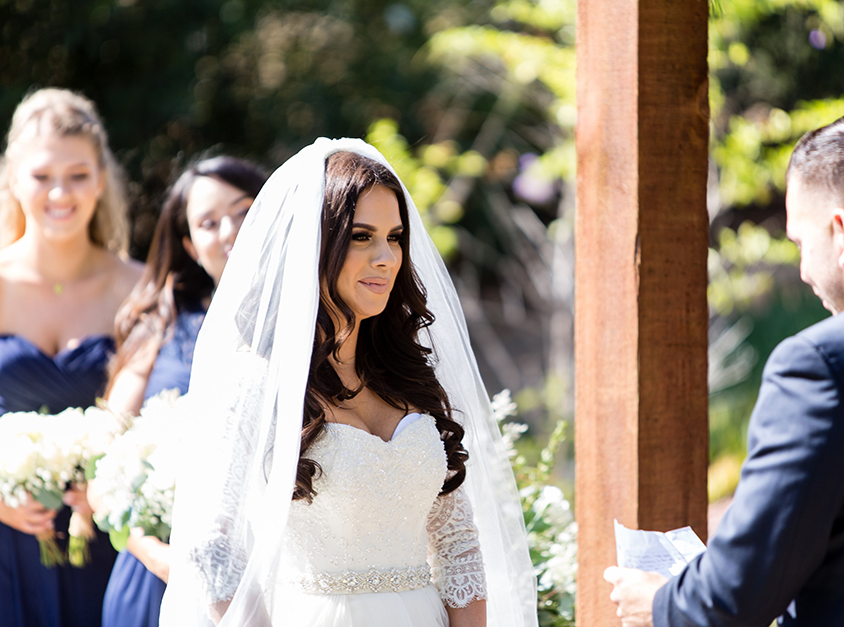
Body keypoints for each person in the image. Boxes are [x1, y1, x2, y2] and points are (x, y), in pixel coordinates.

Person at [158, 138, 538, 627]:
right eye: (362, 236)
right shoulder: (257, 381)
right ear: (315, 246)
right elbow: (213, 545)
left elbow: (457, 543)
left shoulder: (407, 375)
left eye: (395, 237)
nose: (386, 257)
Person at [605, 109, 844, 626]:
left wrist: (659, 603)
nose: (802, 271)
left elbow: (736, 597)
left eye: (800, 243)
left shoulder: (826, 365)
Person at [98, 156, 267, 627]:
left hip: (271, 574)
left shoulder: (319, 325)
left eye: (244, 209)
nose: (230, 230)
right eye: (209, 223)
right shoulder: (159, 327)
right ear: (191, 246)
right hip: (158, 578)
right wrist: (155, 555)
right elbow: (103, 463)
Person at [0, 88, 142, 627]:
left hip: (104, 532)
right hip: (6, 538)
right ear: (15, 179)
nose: (61, 192)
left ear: (101, 180)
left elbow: (156, 408)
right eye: (41, 176)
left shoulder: (138, 286)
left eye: (79, 174)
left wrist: (110, 484)